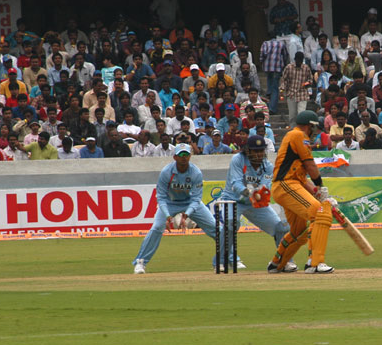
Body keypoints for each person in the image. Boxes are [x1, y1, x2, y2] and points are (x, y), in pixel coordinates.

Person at [133, 143, 224, 274]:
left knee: (217, 228)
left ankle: (228, 259)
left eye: (186, 154)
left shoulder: (196, 172)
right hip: (169, 203)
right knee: (157, 228)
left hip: (190, 202)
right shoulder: (166, 172)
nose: (184, 157)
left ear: (190, 156)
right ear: (175, 157)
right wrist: (167, 215)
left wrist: (186, 214)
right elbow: (161, 197)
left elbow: (196, 199)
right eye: (181, 155)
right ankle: (140, 262)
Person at [268, 110, 334, 274]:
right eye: (314, 128)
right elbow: (310, 165)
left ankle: (277, 263)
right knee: (318, 212)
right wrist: (320, 186)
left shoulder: (293, 138)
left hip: (287, 186)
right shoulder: (299, 135)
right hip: (286, 184)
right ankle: (315, 262)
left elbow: (303, 179)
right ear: (309, 126)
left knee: (299, 231)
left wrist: (317, 192)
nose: (314, 132)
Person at [220, 135, 293, 270]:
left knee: (281, 227)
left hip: (254, 203)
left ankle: (284, 261)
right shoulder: (237, 159)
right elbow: (235, 183)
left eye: (261, 150)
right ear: (248, 151)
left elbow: (265, 186)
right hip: (232, 199)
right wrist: (250, 192)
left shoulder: (268, 166)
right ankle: (221, 261)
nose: (259, 154)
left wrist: (259, 193)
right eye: (256, 151)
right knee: (231, 224)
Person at [280, 52, 312, 127]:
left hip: (302, 94)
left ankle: (301, 129)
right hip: (291, 94)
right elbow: (284, 80)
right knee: (292, 115)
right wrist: (282, 90)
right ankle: (293, 129)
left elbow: (310, 80)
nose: (299, 62)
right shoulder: (289, 67)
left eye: (300, 60)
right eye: (298, 60)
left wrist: (305, 84)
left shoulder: (306, 68)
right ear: (295, 59)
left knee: (301, 114)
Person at [260, 34, 289, 115]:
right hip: (277, 68)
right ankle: (272, 108)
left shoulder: (265, 43)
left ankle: (269, 99)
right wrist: (283, 64)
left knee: (270, 84)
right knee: (275, 88)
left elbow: (262, 55)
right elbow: (285, 55)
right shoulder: (281, 44)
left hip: (267, 67)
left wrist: (262, 63)